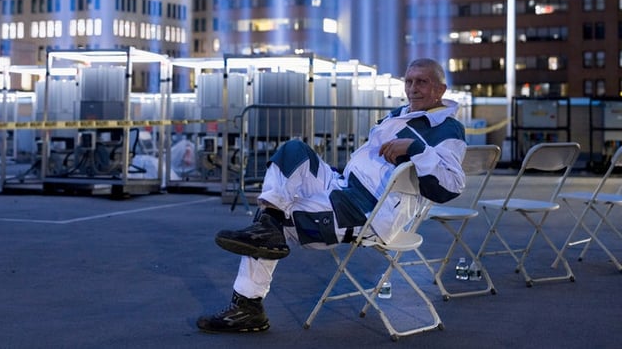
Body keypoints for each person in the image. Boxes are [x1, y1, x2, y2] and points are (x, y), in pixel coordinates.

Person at [196, 58, 467, 333]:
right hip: (343, 186)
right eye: (409, 81)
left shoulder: (446, 129)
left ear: (440, 90)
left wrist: (414, 148)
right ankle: (268, 225)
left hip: (369, 209)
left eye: (422, 82)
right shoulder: (401, 113)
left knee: (277, 220)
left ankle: (248, 305)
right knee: (293, 151)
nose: (413, 88)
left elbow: (451, 185)